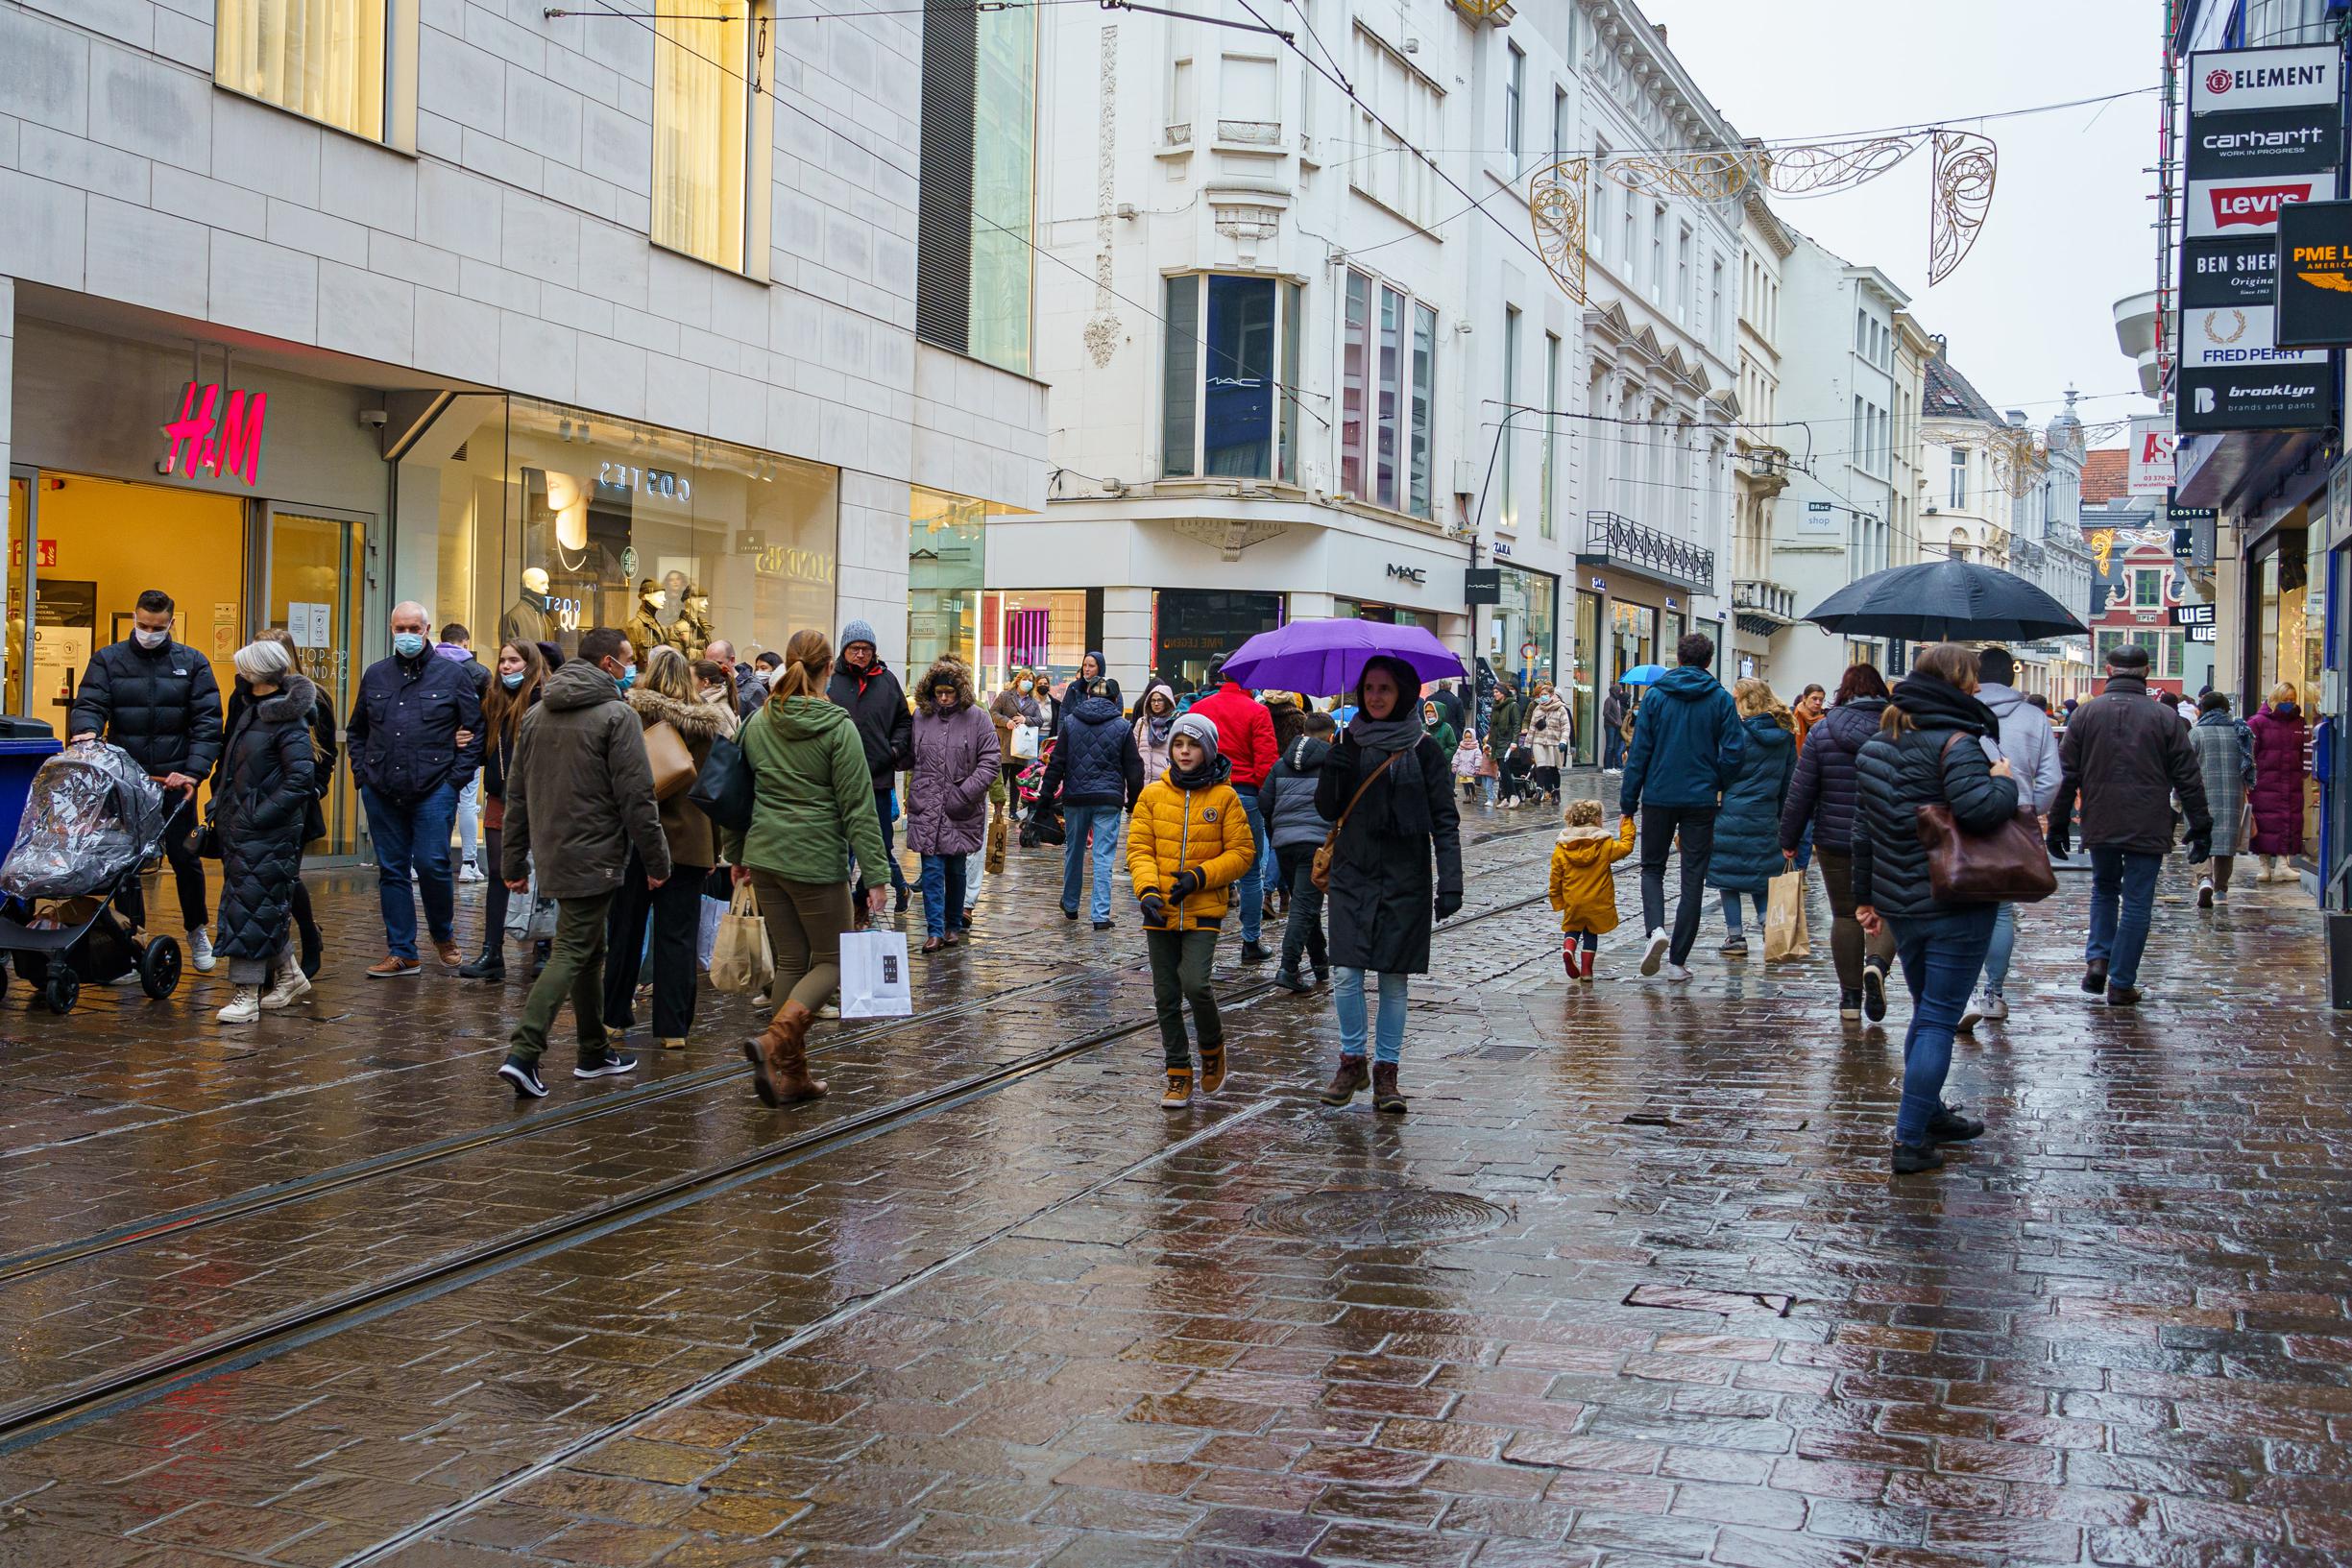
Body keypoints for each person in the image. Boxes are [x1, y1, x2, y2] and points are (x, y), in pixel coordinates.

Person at [1851, 642, 2019, 1175]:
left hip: (1902, 902)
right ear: (1958, 684)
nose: (1976, 688)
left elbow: (1862, 832)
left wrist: (1864, 898)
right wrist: (2005, 783)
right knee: (1939, 1019)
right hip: (1955, 899)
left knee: (1928, 1013)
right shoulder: (1958, 743)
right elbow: (1979, 808)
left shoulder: (1879, 744)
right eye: (1970, 679)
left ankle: (1931, 1114)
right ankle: (1909, 1139)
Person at [495, 628, 670, 1098]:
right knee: (574, 948)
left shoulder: (535, 714)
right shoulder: (618, 716)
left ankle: (593, 1051)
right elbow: (637, 796)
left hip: (554, 849)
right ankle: (524, 1052)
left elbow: (518, 796)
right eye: (629, 659)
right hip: (597, 854)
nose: (633, 668)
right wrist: (657, 859)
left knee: (593, 948)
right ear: (608, 663)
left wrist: (514, 860)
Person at [722, 632, 888, 1105]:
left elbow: (735, 795)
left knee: (793, 961)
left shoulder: (757, 722)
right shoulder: (837, 727)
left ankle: (790, 1074)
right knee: (835, 961)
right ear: (827, 668)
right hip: (815, 861)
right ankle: (776, 1043)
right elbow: (858, 807)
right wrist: (876, 876)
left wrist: (736, 855)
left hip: (767, 857)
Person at [1315, 655, 1463, 1114]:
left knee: (1393, 977)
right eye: (1369, 689)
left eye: (1385, 689)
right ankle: (1352, 1059)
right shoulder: (1348, 744)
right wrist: (1334, 766)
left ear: (1401, 694)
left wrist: (1451, 881)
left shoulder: (1424, 750)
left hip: (1405, 877)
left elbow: (1444, 819)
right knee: (1344, 971)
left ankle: (1387, 1074)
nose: (1375, 697)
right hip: (1353, 873)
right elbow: (1326, 810)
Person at [66, 589, 224, 970]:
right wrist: (86, 730)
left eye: (156, 627)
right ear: (134, 619)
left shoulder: (193, 663)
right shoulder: (108, 660)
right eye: (141, 625)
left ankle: (196, 929)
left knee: (185, 859)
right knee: (125, 862)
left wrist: (193, 770)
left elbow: (207, 723)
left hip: (174, 782)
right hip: (125, 780)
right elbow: (90, 703)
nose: (148, 632)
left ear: (171, 623)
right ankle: (131, 937)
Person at [2047, 643, 2210, 1008]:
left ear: (2108, 670)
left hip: (2101, 818)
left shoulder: (2086, 716)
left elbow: (2067, 774)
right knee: (2137, 901)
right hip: (2148, 821)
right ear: (2147, 672)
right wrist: (2200, 826)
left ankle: (2099, 959)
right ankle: (2121, 981)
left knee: (2104, 889)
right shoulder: (2165, 718)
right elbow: (2188, 778)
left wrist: (2058, 824)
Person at [598, 646, 732, 1050]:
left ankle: (614, 1016)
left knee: (625, 929)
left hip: (636, 840)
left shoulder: (629, 717)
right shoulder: (708, 727)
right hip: (689, 843)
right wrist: (715, 850)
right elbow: (715, 794)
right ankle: (673, 1028)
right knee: (678, 937)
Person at [346, 601, 484, 977]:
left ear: (427, 631)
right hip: (382, 787)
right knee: (392, 870)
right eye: (399, 628)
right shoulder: (376, 675)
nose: (406, 635)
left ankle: (443, 934)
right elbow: (357, 730)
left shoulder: (452, 676)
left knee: (432, 864)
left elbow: (475, 731)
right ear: (392, 630)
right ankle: (402, 951)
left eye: (413, 628)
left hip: (434, 786)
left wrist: (455, 780)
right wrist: (362, 774)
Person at [1128, 713, 1256, 1107]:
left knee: (1195, 983)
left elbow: (1243, 853)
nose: (1184, 752)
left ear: (1208, 750)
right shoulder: (1152, 796)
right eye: (1179, 744)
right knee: (1166, 994)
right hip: (1160, 911)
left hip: (1202, 908)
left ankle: (1212, 1047)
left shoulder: (1225, 797)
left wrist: (1200, 876)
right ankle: (1178, 1072)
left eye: (1193, 745)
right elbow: (1139, 849)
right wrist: (1148, 890)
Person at [1620, 634, 1744, 982]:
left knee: (1652, 868)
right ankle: (1677, 961)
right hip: (1700, 799)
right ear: (1709, 660)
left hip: (1659, 794)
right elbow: (1735, 751)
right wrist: (1718, 781)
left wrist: (1628, 802)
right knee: (1693, 878)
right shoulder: (1720, 698)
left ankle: (1655, 929)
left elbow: (1640, 752)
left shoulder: (1656, 696)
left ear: (1678, 658)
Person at [208, 639, 319, 1024]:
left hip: (265, 831)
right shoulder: (252, 711)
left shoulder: (286, 721)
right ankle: (290, 975)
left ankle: (246, 994)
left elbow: (301, 778)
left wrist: (258, 815)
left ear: (256, 673)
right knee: (259, 906)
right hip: (243, 826)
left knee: (249, 906)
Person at [1781, 663, 1896, 1022]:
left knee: (1845, 913)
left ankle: (1849, 1000)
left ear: (1842, 692)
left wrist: (1789, 838)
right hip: (1887, 836)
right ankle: (1876, 964)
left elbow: (1802, 790)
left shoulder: (1824, 729)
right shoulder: (1898, 728)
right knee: (1889, 908)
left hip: (1835, 836)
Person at [1957, 646, 2065, 1031]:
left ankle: (1962, 994)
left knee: (1962, 905)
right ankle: (1993, 994)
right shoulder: (2033, 717)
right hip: (2013, 816)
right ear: (2013, 677)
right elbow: (2053, 777)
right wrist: (2030, 806)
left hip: (1962, 814)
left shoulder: (1958, 710)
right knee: (2001, 910)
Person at [224, 628, 336, 980]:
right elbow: (230, 746)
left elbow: (323, 755)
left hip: (287, 805)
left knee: (282, 880)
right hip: (245, 802)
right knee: (257, 883)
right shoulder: (241, 698)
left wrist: (314, 790)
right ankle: (281, 964)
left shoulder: (312, 700)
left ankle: (303, 940)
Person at [461, 639, 548, 982]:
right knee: (497, 870)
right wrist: (464, 741)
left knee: (540, 871)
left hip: (540, 798)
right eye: (502, 661)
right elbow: (483, 747)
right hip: (501, 795)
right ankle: (492, 951)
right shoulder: (492, 702)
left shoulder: (546, 700)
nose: (506, 667)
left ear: (530, 664)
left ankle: (543, 946)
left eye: (514, 660)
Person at [906, 657, 1000, 953]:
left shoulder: (977, 718)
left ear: (960, 691)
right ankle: (934, 930)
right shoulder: (921, 717)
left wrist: (964, 794)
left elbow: (990, 760)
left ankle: (951, 925)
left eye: (949, 693)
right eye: (939, 693)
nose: (944, 698)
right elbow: (913, 760)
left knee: (956, 868)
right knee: (932, 869)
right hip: (927, 804)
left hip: (960, 807)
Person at [1189, 655, 1279, 963]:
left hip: (1205, 796)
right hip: (1246, 797)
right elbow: (1266, 765)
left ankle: (1199, 940)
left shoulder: (1199, 709)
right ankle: (1250, 941)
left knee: (1205, 867)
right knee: (1250, 872)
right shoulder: (1258, 712)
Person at [826, 620, 915, 915]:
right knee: (842, 847)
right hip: (836, 779)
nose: (861, 654)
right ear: (844, 650)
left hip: (877, 777)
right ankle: (843, 907)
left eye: (866, 649)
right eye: (855, 649)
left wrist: (894, 749)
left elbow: (904, 721)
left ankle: (863, 899)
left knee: (878, 844)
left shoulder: (887, 680)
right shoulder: (831, 681)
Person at [1039, 676, 1143, 929]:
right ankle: (1100, 914)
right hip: (1109, 798)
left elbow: (1057, 763)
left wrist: (1045, 797)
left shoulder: (1072, 723)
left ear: (1087, 696)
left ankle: (1072, 904)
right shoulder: (1122, 726)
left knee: (1074, 851)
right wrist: (1134, 801)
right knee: (1103, 856)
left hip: (1076, 797)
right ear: (1115, 699)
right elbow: (1134, 767)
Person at [1707, 679, 1796, 958]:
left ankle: (1735, 937)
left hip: (1731, 813)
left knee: (1728, 876)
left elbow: (1722, 769)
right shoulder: (1784, 734)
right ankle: (1767, 924)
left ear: (1747, 700)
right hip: (1765, 812)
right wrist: (1781, 815)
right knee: (1760, 872)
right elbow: (1789, 780)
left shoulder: (1736, 732)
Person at [1261, 710, 1337, 993]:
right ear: (1331, 736)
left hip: (1285, 845)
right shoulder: (1332, 766)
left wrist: (1276, 833)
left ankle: (1319, 961)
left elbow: (1265, 803)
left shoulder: (1281, 765)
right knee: (1305, 906)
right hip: (1316, 844)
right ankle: (1289, 967)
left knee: (1306, 903)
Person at [1549, 798, 1637, 981]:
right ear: (1597, 819)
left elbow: (1555, 877)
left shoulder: (1562, 847)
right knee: (1591, 933)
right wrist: (1626, 822)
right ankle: (1587, 971)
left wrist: (1557, 900)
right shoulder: (1604, 844)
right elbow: (1626, 847)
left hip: (1573, 899)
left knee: (1572, 928)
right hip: (1597, 900)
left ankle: (1568, 949)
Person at [2189, 690, 2255, 908]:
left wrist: (2177, 797)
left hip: (2200, 794)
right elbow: (2249, 765)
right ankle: (2220, 891)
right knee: (2226, 843)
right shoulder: (2239, 732)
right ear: (2226, 710)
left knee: (2200, 837)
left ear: (2203, 710)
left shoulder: (2196, 733)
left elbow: (2186, 769)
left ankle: (2204, 879)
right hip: (2232, 794)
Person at [436, 624, 492, 882]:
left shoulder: (428, 666)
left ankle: (424, 860)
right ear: (466, 642)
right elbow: (487, 715)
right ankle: (469, 863)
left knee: (433, 803)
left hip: (434, 749)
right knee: (468, 804)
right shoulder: (479, 672)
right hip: (469, 748)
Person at [2247, 683, 2308, 881]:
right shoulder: (2258, 722)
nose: (2289, 703)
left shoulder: (2299, 723)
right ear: (2275, 699)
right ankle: (2264, 866)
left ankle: (2283, 863)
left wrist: (2303, 772)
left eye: (2292, 700)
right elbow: (2250, 753)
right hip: (2266, 782)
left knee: (2288, 821)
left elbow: (2303, 753)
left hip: (2291, 781)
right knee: (2265, 823)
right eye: (2285, 700)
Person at [1525, 682, 1571, 806]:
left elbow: (1566, 727)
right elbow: (1532, 727)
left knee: (1553, 769)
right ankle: (1539, 792)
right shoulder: (1538, 708)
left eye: (1545, 694)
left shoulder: (1561, 709)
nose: (1542, 696)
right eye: (1541, 694)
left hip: (1554, 742)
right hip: (1539, 741)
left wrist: (1563, 741)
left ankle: (1556, 792)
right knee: (1540, 767)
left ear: (1551, 695)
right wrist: (1527, 744)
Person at [1485, 675, 1523, 807]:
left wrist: (1514, 741)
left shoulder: (1513, 705)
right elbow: (1493, 727)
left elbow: (1517, 724)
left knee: (1505, 770)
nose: (1494, 694)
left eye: (1496, 692)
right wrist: (1489, 743)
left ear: (1503, 693)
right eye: (1494, 692)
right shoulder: (1496, 707)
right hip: (1498, 742)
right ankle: (1507, 797)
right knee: (1502, 771)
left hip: (1507, 742)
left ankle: (1513, 796)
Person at [1132, 681, 1177, 786]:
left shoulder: (1174, 724)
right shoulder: (1142, 723)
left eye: (1160, 700)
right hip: (1142, 782)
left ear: (1167, 702)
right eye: (1153, 701)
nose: (1156, 704)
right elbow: (1133, 751)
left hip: (1166, 782)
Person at [706, 639, 764, 720]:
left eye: (718, 663)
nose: (712, 668)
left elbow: (757, 726)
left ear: (732, 660)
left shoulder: (753, 689)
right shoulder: (706, 684)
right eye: (708, 664)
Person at [1601, 684, 1630, 774]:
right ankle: (1607, 767)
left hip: (1616, 727)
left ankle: (1611, 766)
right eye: (1620, 690)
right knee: (1610, 746)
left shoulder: (1616, 701)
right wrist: (1615, 722)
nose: (1621, 692)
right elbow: (1606, 713)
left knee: (1614, 746)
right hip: (1610, 726)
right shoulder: (1609, 700)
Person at [1793, 684, 1826, 752]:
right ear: (1804, 698)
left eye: (1821, 700)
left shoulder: (1825, 719)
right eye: (1814, 699)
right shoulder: (1792, 715)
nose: (1818, 703)